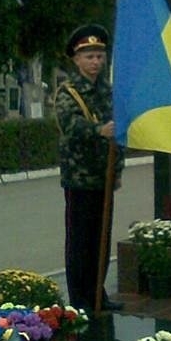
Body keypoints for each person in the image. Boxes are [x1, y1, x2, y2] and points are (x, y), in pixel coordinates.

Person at [55, 24, 124, 312]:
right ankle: (80, 300)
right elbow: (70, 126)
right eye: (89, 57)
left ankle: (98, 294)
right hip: (80, 179)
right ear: (76, 60)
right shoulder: (68, 93)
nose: (95, 62)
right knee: (80, 242)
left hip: (104, 177)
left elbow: (120, 128)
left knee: (101, 240)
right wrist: (98, 130)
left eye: (99, 56)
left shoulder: (109, 91)